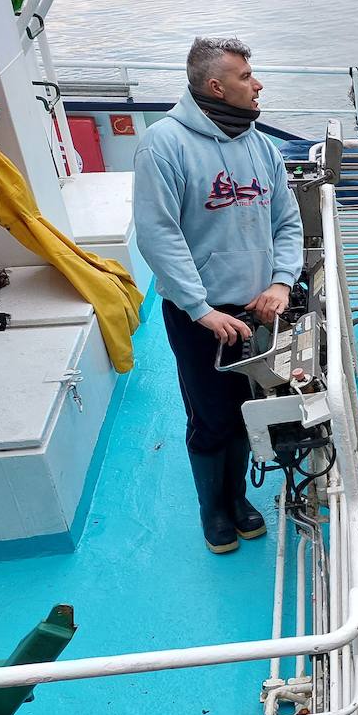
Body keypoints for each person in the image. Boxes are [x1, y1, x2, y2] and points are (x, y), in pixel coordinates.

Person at [133, 37, 303, 554]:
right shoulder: (163, 144)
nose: (258, 84)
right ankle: (215, 509)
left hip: (258, 310)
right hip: (201, 317)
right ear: (216, 86)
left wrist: (281, 282)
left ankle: (238, 497)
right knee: (210, 416)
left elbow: (287, 222)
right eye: (247, 75)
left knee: (248, 407)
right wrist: (200, 309)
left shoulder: (259, 145)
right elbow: (158, 235)